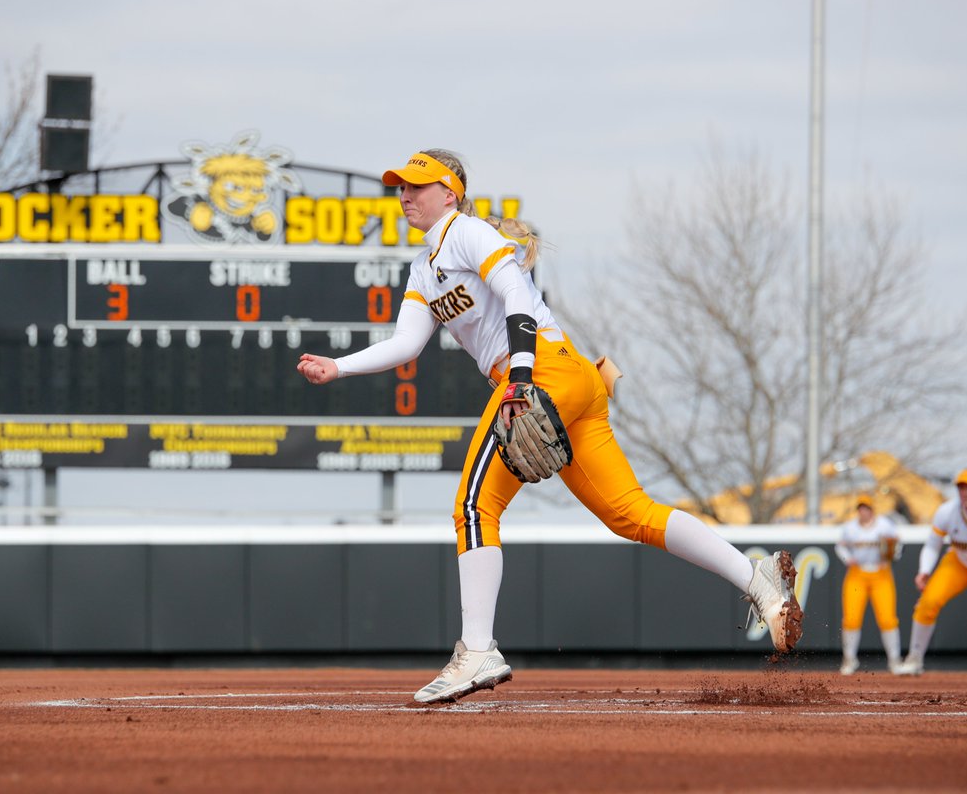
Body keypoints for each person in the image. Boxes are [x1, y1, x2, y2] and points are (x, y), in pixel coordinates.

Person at [295, 149, 803, 704]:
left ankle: (478, 650)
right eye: (401, 186)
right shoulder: (424, 268)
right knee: (630, 514)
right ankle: (758, 580)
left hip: (538, 371)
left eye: (417, 185)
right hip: (569, 374)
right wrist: (338, 367)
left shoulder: (465, 232)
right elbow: (406, 344)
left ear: (450, 192)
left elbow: (516, 291)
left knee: (474, 507)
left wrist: (518, 377)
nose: (405, 195)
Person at [897, 467, 967, 675]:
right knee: (928, 602)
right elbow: (933, 545)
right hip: (959, 562)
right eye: (961, 488)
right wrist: (924, 570)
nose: (965, 492)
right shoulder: (947, 511)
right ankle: (914, 659)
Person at [835, 494, 903, 675]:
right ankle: (849, 659)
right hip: (857, 574)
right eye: (861, 508)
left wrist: (891, 556)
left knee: (888, 619)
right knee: (851, 618)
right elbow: (840, 546)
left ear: (872, 510)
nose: (863, 512)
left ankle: (894, 660)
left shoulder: (884, 525)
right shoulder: (850, 528)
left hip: (881, 574)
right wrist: (847, 558)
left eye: (866, 508)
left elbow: (897, 544)